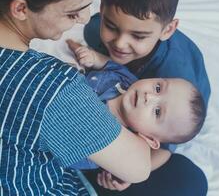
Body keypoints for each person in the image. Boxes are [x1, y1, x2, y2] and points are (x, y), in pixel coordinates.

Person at [0, 0, 153, 195]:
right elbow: (139, 169)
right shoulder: (51, 87)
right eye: (73, 12)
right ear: (21, 9)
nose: (85, 18)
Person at [81, 0, 210, 195]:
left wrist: (128, 174)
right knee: (91, 29)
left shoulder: (173, 77)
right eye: (112, 26)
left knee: (189, 180)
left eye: (138, 36)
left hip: (176, 111)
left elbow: (164, 146)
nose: (121, 43)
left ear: (167, 30)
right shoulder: (104, 29)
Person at [66, 40, 206, 171]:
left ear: (150, 139)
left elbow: (68, 152)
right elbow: (108, 64)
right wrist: (93, 58)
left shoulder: (113, 142)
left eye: (157, 112)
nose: (149, 97)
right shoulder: (127, 79)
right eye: (158, 88)